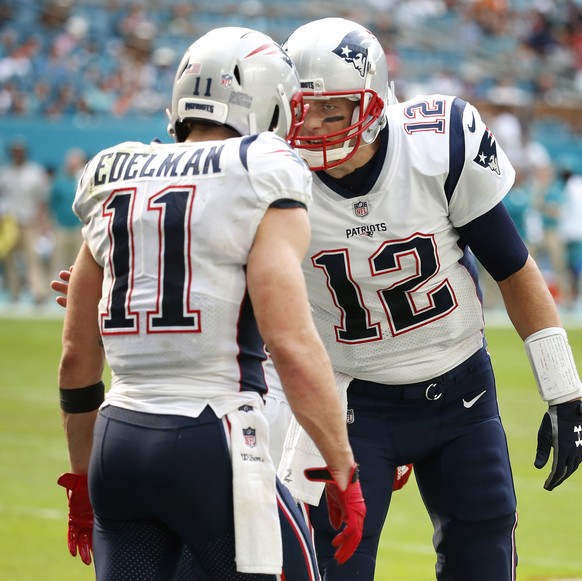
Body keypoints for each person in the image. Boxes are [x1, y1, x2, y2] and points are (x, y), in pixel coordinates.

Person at [276, 17, 582, 581]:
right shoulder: (271, 172)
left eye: (331, 111)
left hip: (461, 391)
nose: (312, 126)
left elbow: (513, 268)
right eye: (301, 109)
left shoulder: (438, 143)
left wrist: (564, 389)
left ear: (372, 104)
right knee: (330, 565)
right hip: (351, 402)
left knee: (484, 558)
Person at [55, 27, 365, 581]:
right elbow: (289, 342)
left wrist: (82, 479)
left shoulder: (116, 174)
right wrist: (340, 464)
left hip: (116, 441)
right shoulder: (261, 168)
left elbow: (77, 354)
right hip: (213, 438)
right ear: (270, 101)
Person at [0, 137, 51, 305]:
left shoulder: (34, 173)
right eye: (15, 151)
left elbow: (42, 201)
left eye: (20, 151)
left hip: (30, 221)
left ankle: (39, 293)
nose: (18, 154)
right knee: (9, 259)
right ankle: (14, 291)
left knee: (32, 259)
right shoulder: (5, 173)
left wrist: (43, 223)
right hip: (9, 222)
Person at [49, 147, 86, 279]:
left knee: (79, 261)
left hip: (80, 227)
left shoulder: (85, 181)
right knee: (59, 259)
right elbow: (51, 204)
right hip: (61, 226)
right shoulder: (59, 182)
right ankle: (55, 288)